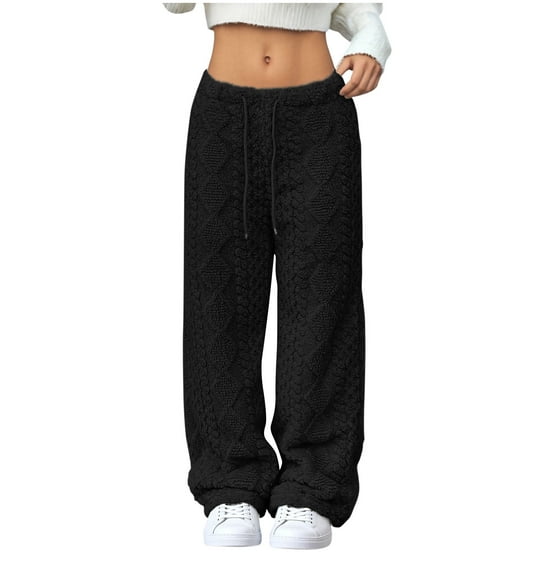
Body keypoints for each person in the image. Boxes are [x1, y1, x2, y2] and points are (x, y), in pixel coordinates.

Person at [163, 2, 391, 549]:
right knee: (218, 295)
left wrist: (370, 44)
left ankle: (311, 488)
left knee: (324, 294)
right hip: (223, 111)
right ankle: (229, 484)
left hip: (319, 112)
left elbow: (359, 11)